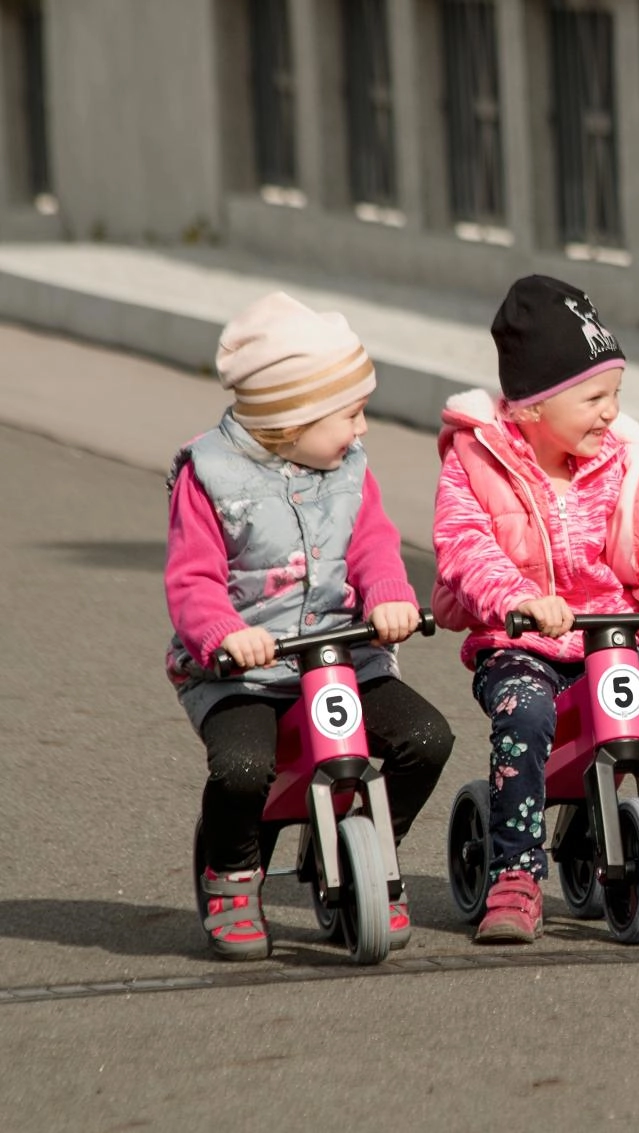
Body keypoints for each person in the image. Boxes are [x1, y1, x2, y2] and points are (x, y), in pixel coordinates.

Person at [433, 275, 639, 944]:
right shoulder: (478, 462)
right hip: (521, 647)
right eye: (594, 398)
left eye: (616, 395)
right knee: (526, 714)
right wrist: (518, 599)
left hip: (610, 643)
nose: (610, 413)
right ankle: (515, 873)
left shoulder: (620, 463)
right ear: (534, 406)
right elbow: (464, 544)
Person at [166, 292, 454, 961]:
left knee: (425, 739)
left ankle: (368, 848)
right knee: (244, 767)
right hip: (244, 671)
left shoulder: (348, 468)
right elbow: (192, 580)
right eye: (350, 413)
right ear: (292, 419)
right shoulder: (209, 477)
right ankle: (232, 872)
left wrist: (388, 597)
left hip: (340, 656)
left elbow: (373, 544)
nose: (362, 428)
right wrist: (225, 635)